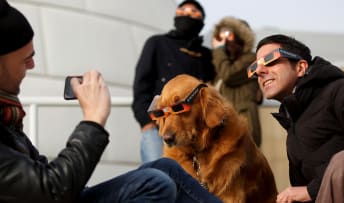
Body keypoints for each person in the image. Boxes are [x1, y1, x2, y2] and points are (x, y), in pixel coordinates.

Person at [0, 1, 224, 202]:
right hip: (56, 193)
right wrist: (93, 121)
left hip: (64, 192)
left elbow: (44, 173)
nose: (32, 66)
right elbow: (51, 190)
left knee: (165, 168)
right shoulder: (157, 43)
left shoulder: (8, 114)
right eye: (26, 59)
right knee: (156, 182)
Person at [247, 34, 344, 203]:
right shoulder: (294, 122)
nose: (260, 71)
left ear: (300, 67)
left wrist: (311, 190)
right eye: (255, 68)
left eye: (270, 60)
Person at [131, 0, 215, 163]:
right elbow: (141, 86)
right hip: (159, 128)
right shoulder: (157, 43)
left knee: (191, 184)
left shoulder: (206, 55)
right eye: (182, 10)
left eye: (193, 12)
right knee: (158, 179)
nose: (187, 13)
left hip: (194, 132)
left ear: (202, 21)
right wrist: (147, 123)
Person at [211, 16, 262, 147]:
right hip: (224, 121)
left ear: (242, 37)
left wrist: (218, 50)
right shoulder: (221, 62)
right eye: (220, 36)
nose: (224, 41)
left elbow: (229, 76)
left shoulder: (251, 59)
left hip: (243, 119)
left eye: (229, 34)